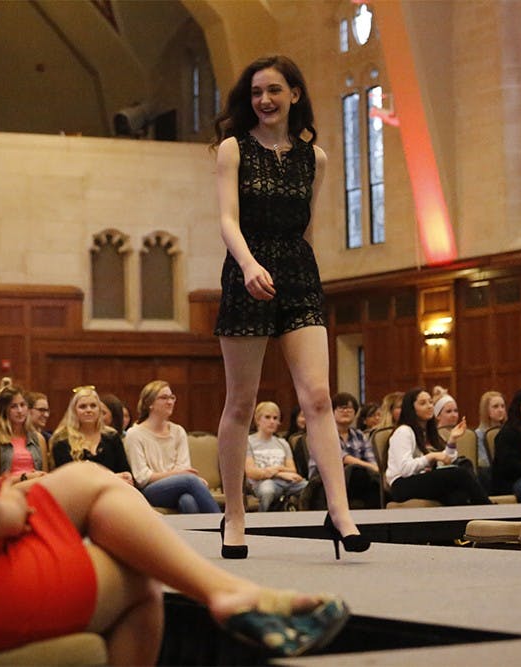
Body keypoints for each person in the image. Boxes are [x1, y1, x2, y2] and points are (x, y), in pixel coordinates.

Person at [0, 188, 350, 664]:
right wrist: (7, 509)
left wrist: (5, 497)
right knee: (138, 586)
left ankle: (228, 592)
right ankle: (228, 595)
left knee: (90, 483)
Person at [210, 54, 368, 559]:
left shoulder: (314, 159)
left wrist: (293, 267)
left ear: (294, 94)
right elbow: (227, 220)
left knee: (318, 396)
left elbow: (306, 224)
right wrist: (250, 264)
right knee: (240, 402)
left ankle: (340, 513)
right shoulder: (233, 149)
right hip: (246, 269)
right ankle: (235, 516)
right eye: (257, 92)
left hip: (298, 272)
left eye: (275, 90)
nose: (265, 100)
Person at [124, 380, 220, 514]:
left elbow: (183, 467)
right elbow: (142, 477)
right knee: (190, 480)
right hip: (149, 490)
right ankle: (223, 526)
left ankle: (197, 534)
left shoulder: (178, 431)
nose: (170, 402)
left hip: (179, 485)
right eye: (164, 398)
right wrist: (180, 475)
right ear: (149, 403)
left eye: (172, 397)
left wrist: (181, 476)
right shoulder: (135, 434)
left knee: (187, 501)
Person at [385, 388, 491, 506]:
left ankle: (467, 523)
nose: (430, 406)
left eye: (431, 402)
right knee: (460, 474)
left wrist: (452, 439)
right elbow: (405, 470)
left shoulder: (427, 432)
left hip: (420, 479)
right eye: (423, 403)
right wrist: (431, 457)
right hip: (402, 485)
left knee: (457, 496)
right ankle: (489, 510)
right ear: (411, 408)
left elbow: (447, 460)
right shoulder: (403, 431)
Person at [306, 393, 381, 510]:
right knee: (355, 470)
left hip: (355, 481)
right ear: (332, 412)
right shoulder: (322, 433)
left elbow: (371, 460)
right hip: (323, 481)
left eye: (350, 408)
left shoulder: (359, 435)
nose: (346, 411)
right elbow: (341, 458)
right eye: (341, 408)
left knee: (373, 480)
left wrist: (373, 468)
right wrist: (368, 467)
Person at [51, 386, 133, 484]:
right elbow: (68, 479)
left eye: (93, 406)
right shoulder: (62, 439)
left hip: (112, 492)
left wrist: (127, 476)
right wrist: (111, 477)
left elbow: (124, 471)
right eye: (83, 407)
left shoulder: (111, 436)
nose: (89, 410)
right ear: (74, 411)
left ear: (99, 410)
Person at [245, 401, 307, 511]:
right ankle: (262, 522)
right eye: (267, 417)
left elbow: (292, 470)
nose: (272, 421)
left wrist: (273, 472)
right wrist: (281, 473)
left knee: (309, 487)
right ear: (258, 420)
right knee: (268, 491)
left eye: (275, 418)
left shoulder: (283, 443)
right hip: (261, 483)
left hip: (286, 482)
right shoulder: (248, 442)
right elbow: (251, 472)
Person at [0, 379, 47, 483]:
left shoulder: (38, 438)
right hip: (10, 490)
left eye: (23, 405)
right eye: (14, 406)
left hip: (35, 487)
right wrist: (25, 477)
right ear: (4, 411)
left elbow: (44, 474)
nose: (20, 411)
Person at [473, 390, 506, 490]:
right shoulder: (479, 434)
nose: (500, 410)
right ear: (486, 410)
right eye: (495, 407)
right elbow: (483, 461)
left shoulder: (508, 431)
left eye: (502, 406)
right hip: (490, 473)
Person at [284, 404, 310, 478]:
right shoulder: (287, 440)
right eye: (303, 416)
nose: (306, 420)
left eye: (308, 416)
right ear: (295, 418)